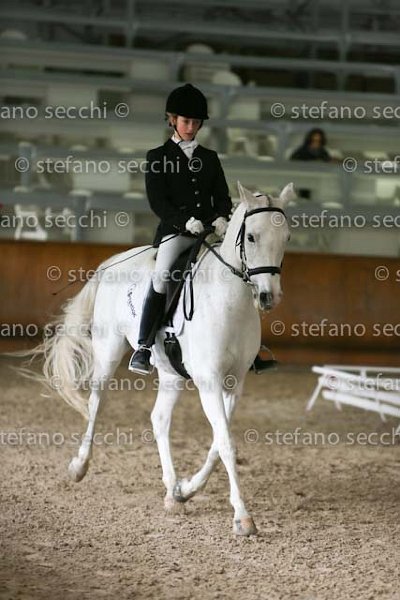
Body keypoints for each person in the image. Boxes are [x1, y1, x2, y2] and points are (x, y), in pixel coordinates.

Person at [128, 83, 274, 375]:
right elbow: (158, 202)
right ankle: (144, 346)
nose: (191, 127)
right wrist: (183, 222)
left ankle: (249, 348)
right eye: (186, 121)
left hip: (210, 232)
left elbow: (222, 197)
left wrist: (220, 217)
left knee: (241, 269)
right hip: (176, 233)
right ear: (172, 119)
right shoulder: (157, 157)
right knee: (162, 276)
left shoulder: (209, 157)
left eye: (196, 122)